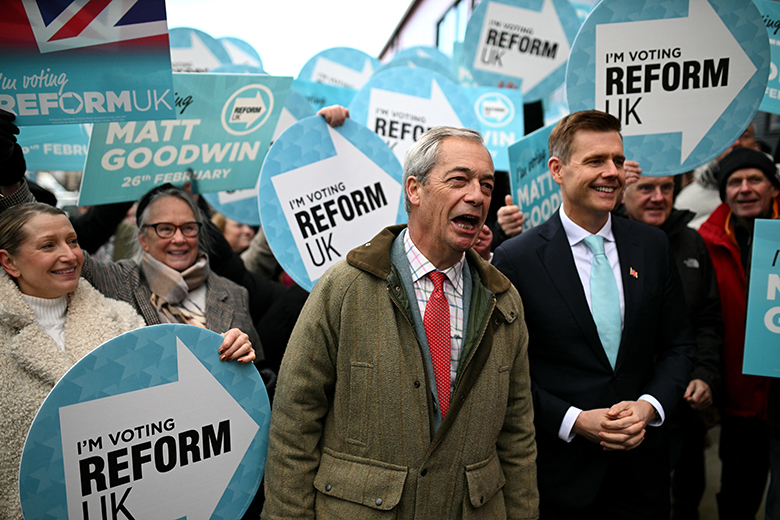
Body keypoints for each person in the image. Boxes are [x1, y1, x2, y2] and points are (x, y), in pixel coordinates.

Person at [262, 127, 538, 519]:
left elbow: (517, 436)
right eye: (459, 180)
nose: (477, 196)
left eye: (486, 185)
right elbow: (295, 422)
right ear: (414, 189)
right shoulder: (344, 288)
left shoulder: (504, 302)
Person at [493, 110, 695, 519]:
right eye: (595, 161)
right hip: (561, 477)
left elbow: (679, 345)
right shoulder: (516, 259)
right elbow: (506, 371)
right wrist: (574, 420)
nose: (613, 173)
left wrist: (649, 406)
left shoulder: (652, 246)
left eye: (618, 160)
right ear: (557, 169)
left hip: (643, 473)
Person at [0, 203, 146, 519]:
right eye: (48, 245)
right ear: (9, 262)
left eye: (73, 241)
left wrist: (223, 353)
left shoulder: (122, 320)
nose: (69, 255)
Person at [620, 173, 723, 519]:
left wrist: (705, 374)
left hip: (685, 401)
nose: (658, 197)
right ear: (623, 193)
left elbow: (708, 319)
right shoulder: (609, 242)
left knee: (688, 494)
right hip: (628, 404)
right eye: (646, 188)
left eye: (666, 188)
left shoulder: (692, 242)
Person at [697, 146, 779, 519]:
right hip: (738, 396)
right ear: (724, 193)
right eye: (735, 182)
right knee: (737, 496)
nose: (745, 188)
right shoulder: (706, 240)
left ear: (773, 187)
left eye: (755, 179)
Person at [675, 124, 761, 229]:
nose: (736, 142)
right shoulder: (688, 199)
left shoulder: (775, 190)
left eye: (745, 136)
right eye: (728, 137)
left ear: (756, 145)